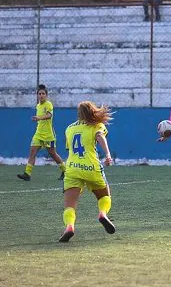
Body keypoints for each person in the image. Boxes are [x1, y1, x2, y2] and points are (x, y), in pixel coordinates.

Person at [59, 101, 115, 243]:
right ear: (93, 111)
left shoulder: (69, 129)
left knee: (70, 204)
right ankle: (102, 214)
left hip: (72, 168)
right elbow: (100, 137)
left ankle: (69, 227)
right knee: (104, 195)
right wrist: (108, 155)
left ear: (79, 114)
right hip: (91, 167)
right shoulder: (96, 125)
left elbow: (70, 149)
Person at [17, 84, 66, 181]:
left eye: (43, 93)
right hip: (38, 134)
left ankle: (65, 171)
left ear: (46, 95)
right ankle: (27, 173)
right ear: (37, 95)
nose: (41, 95)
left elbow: (49, 115)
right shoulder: (38, 106)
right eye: (39, 94)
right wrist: (37, 119)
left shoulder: (48, 104)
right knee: (32, 152)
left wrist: (39, 118)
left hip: (49, 135)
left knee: (53, 154)